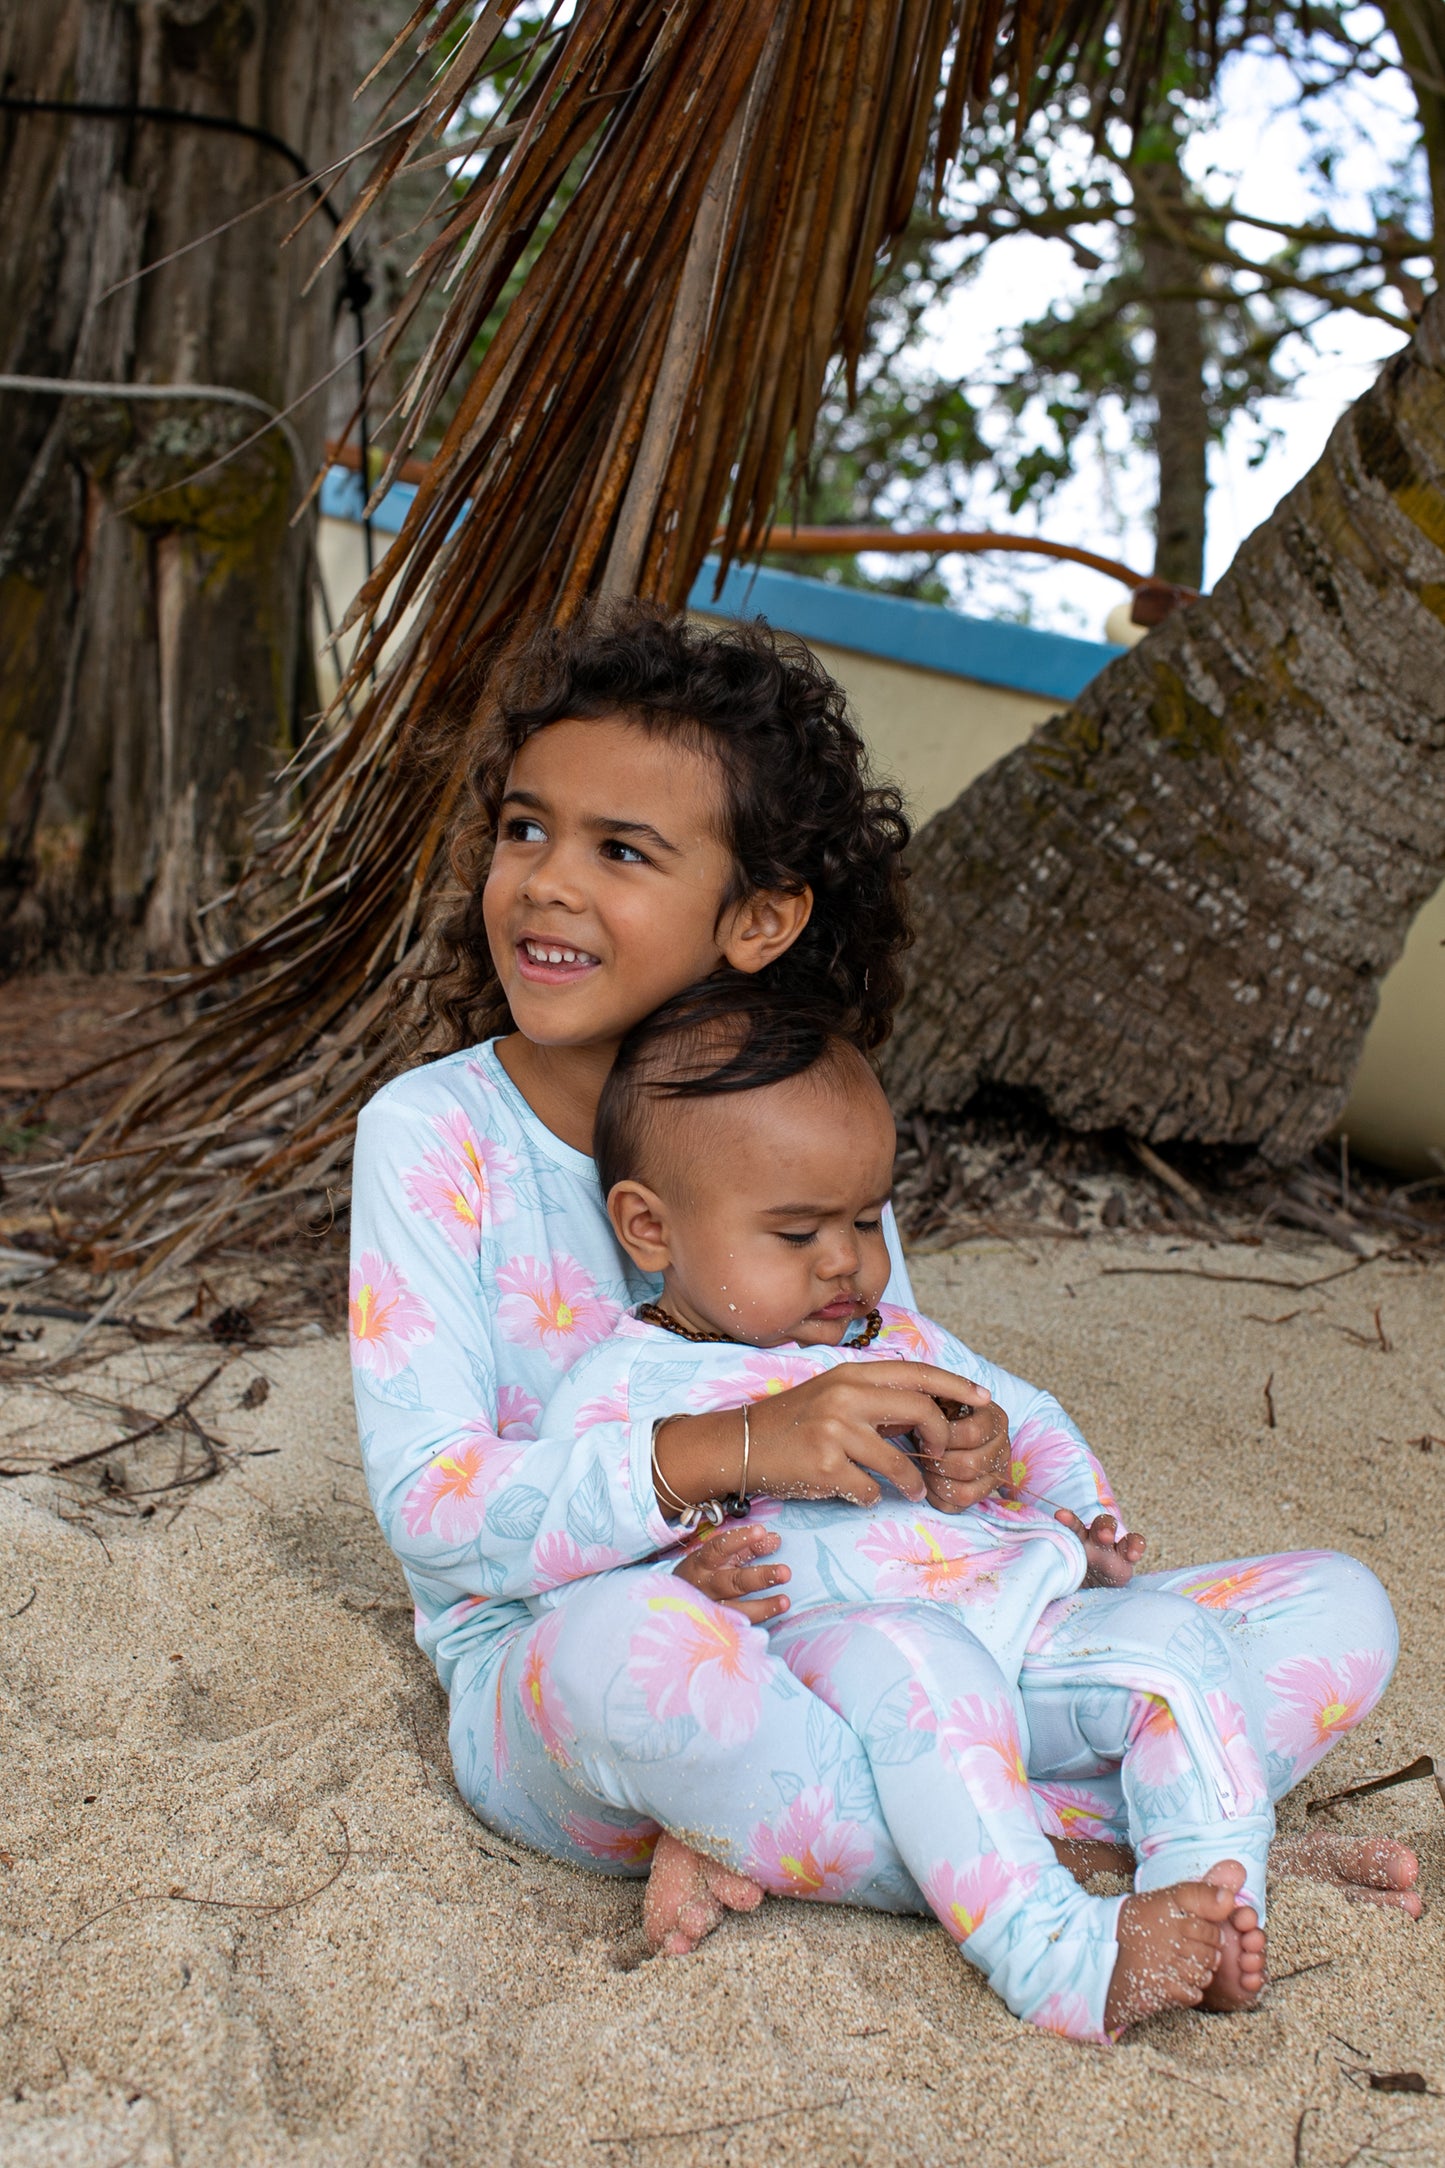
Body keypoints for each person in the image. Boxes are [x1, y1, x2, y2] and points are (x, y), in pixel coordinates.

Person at [348, 601, 1417, 2006]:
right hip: (587, 1674)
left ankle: (855, 1849)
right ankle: (1135, 1860)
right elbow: (433, 1516)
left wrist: (982, 1461)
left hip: (902, 1643)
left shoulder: (802, 1131)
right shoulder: (434, 1135)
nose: (545, 882)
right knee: (631, 1665)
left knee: (1335, 1608)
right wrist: (740, 1455)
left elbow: (902, 1382)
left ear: (759, 918)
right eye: (525, 830)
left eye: (621, 851)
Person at [524, 983, 1294, 2037]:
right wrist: (673, 1583)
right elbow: (564, 1557)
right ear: (650, 1224)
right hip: (846, 1672)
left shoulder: (900, 1337)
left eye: (862, 1216)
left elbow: (1027, 1417)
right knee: (929, 1673)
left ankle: (1210, 1910)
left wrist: (1040, 1482)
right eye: (796, 1230)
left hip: (1020, 1632)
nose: (845, 1259)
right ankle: (1061, 1953)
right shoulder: (627, 1388)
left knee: (1192, 1640)